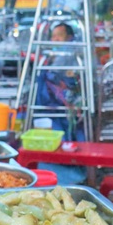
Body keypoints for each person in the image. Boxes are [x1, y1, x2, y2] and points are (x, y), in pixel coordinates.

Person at [34, 22, 87, 184]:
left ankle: (66, 174)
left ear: (69, 38)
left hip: (63, 105)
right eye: (53, 36)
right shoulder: (54, 54)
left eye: (59, 36)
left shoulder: (68, 52)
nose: (54, 39)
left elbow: (55, 74)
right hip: (54, 104)